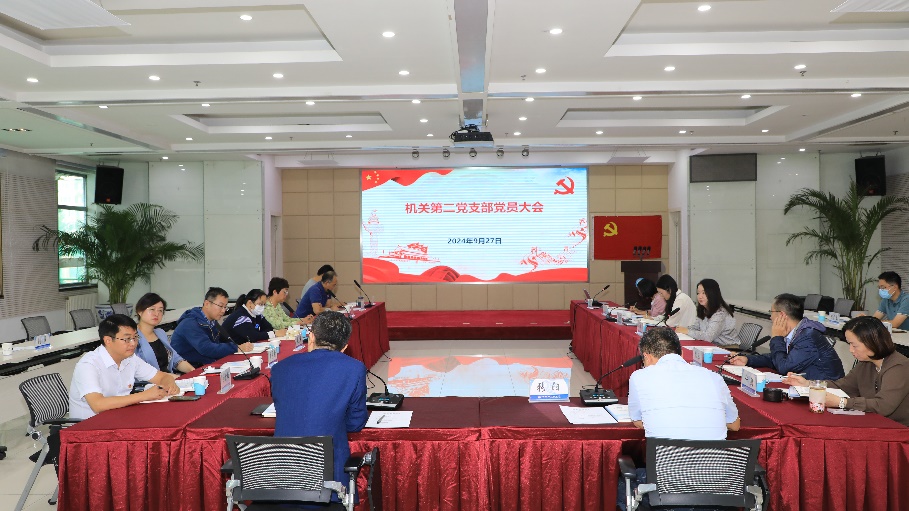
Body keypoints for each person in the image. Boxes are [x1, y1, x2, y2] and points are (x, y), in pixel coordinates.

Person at [621, 327, 740, 510]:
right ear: (682, 353)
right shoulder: (713, 377)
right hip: (715, 488)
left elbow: (637, 420)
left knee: (621, 485)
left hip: (667, 489)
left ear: (647, 357)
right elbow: (735, 425)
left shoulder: (639, 376)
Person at [271, 311, 368, 492]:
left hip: (283, 479)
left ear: (311, 337)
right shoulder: (354, 368)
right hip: (330, 483)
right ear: (345, 347)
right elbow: (355, 423)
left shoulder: (279, 368)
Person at [786, 317, 909, 427]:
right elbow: (843, 386)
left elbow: (883, 406)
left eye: (854, 345)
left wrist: (842, 402)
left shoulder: (899, 366)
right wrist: (809, 384)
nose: (850, 350)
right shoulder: (866, 363)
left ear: (872, 342)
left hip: (898, 430)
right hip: (873, 422)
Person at [69, 314, 179, 419]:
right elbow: (98, 404)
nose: (133, 343)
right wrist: (145, 395)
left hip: (120, 416)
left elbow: (162, 377)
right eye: (127, 339)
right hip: (89, 426)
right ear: (108, 340)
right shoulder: (88, 365)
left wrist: (169, 384)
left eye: (135, 337)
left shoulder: (130, 359)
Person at [729, 293, 845, 381]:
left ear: (781, 315)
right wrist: (748, 359)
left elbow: (784, 367)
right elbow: (778, 358)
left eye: (771, 312)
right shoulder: (797, 331)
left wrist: (777, 338)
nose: (770, 317)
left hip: (825, 392)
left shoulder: (808, 336)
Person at [170, 287, 253, 367]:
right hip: (190, 369)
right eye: (220, 306)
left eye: (225, 307)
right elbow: (206, 349)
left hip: (207, 364)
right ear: (207, 304)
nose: (223, 311)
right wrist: (236, 348)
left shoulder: (212, 322)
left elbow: (218, 344)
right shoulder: (189, 323)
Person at [134, 292, 195, 375]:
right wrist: (167, 378)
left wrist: (194, 372)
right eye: (152, 309)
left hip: (170, 378)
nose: (156, 314)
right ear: (140, 311)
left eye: (160, 310)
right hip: (149, 381)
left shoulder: (160, 333)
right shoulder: (132, 336)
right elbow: (137, 370)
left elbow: (176, 359)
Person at [676, 278, 738, 347]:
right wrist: (684, 329)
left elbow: (708, 337)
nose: (700, 296)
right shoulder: (703, 309)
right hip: (711, 345)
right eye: (698, 293)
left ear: (712, 294)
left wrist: (687, 331)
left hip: (728, 347)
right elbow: (696, 327)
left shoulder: (720, 313)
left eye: (704, 293)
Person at [223, 289, 287, 342]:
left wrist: (259, 334)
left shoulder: (257, 314)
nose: (262, 307)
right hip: (231, 350)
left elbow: (269, 328)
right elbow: (252, 336)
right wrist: (273, 334)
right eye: (260, 304)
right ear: (250, 303)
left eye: (264, 304)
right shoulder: (241, 316)